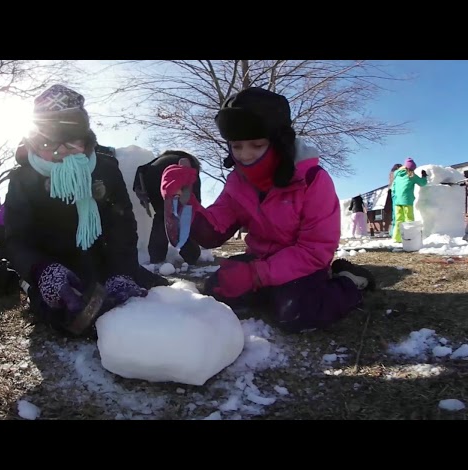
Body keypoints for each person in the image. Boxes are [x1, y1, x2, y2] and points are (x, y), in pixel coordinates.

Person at [159, 86, 376, 333]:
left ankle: (348, 283)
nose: (245, 155)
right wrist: (183, 200)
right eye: (237, 146)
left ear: (278, 142)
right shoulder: (236, 182)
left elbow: (315, 250)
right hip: (260, 259)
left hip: (304, 264)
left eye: (256, 145)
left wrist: (255, 276)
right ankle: (272, 294)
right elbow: (212, 233)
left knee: (295, 313)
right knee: (217, 289)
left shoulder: (312, 179)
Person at [3, 84, 168, 335]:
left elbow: (121, 225)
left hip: (104, 261)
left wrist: (121, 271)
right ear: (35, 144)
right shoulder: (22, 179)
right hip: (54, 265)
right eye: (49, 144)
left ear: (86, 140)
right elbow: (17, 238)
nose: (61, 152)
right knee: (69, 314)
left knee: (149, 298)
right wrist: (42, 270)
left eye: (71, 141)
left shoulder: (105, 169)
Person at [133, 150, 202, 265]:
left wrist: (139, 189)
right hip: (177, 174)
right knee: (184, 216)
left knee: (161, 215)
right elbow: (195, 194)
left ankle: (156, 257)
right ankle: (191, 254)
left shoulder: (158, 159)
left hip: (150, 177)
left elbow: (141, 169)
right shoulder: (188, 161)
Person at [391, 158, 427, 243]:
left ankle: (397, 239)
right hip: (407, 201)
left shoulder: (397, 175)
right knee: (409, 219)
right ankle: (409, 238)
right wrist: (424, 176)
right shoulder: (411, 175)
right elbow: (422, 183)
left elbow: (393, 188)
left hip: (397, 201)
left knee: (399, 220)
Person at [388, 163, 402, 237]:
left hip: (393, 193)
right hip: (398, 193)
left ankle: (393, 232)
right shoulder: (397, 174)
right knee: (398, 213)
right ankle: (396, 233)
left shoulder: (391, 174)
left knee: (394, 213)